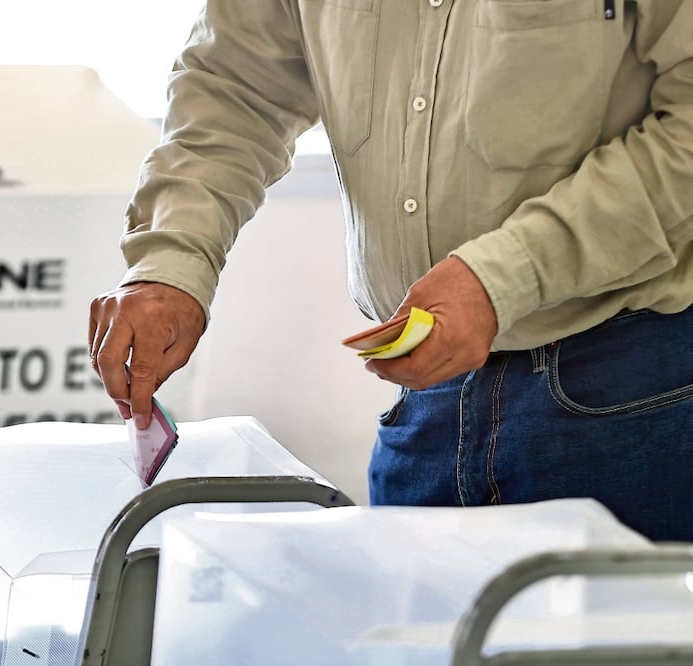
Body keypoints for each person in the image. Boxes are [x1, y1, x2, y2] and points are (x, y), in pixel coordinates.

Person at [88, 1, 693, 542]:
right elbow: (235, 88)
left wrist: (506, 275)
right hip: (427, 403)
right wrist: (168, 265)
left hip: (637, 392)